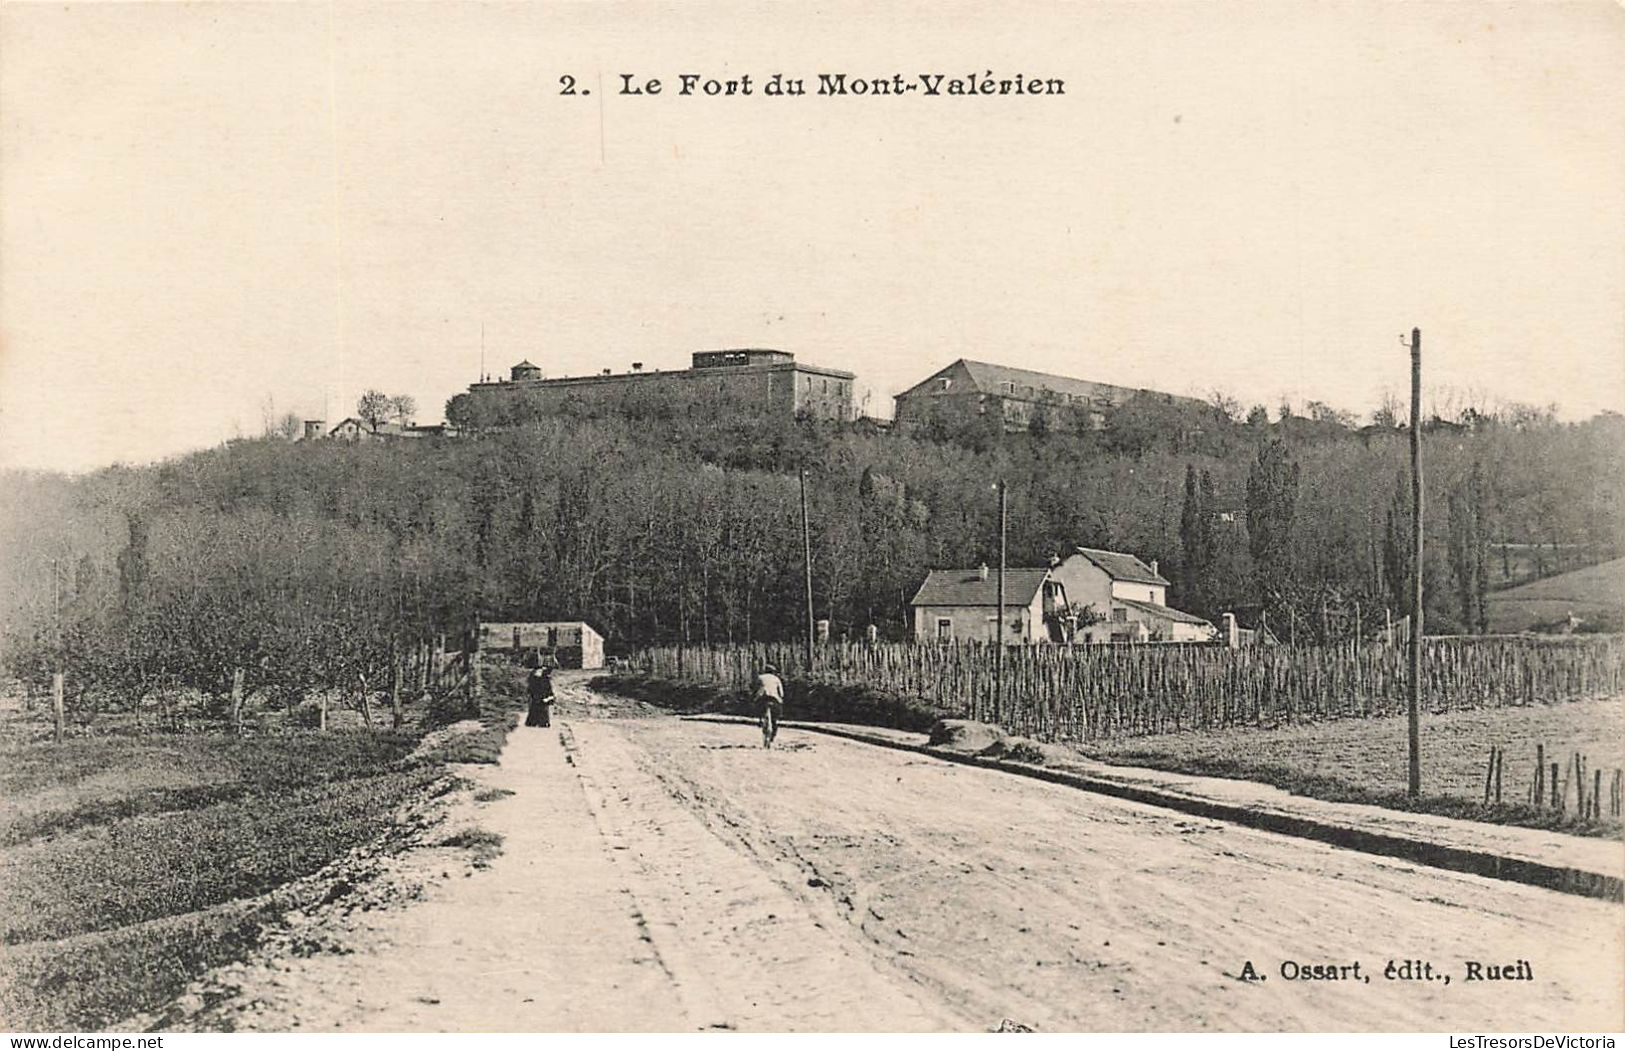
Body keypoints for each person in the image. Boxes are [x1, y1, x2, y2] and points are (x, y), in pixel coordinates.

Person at [753, 663, 785, 748]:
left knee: (756, 706)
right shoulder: (776, 679)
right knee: (776, 715)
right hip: (774, 699)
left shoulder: (760, 677)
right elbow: (781, 693)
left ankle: (759, 719)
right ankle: (777, 720)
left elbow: (756, 689)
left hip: (762, 698)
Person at [525, 656, 555, 728]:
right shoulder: (540, 673)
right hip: (539, 690)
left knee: (538, 705)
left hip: (538, 691)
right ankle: (540, 722)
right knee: (540, 706)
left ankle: (536, 722)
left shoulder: (537, 673)